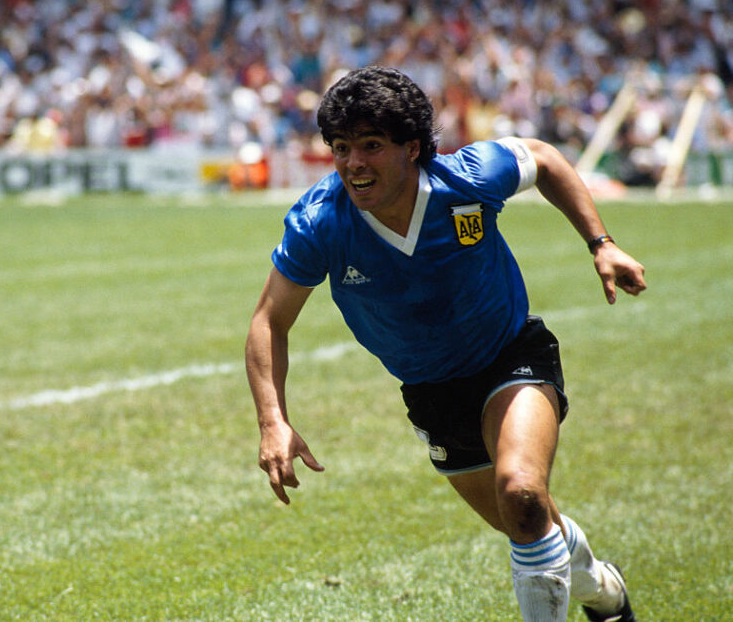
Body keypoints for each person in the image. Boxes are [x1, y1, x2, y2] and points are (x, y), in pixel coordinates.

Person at [245, 66, 646, 621]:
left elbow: (545, 158)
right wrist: (274, 420)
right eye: (340, 147)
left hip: (511, 355)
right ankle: (603, 591)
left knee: (522, 494)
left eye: (371, 146)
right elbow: (269, 322)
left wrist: (600, 243)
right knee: (526, 520)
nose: (353, 163)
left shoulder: (468, 178)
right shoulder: (320, 224)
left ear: (412, 148)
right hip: (432, 391)